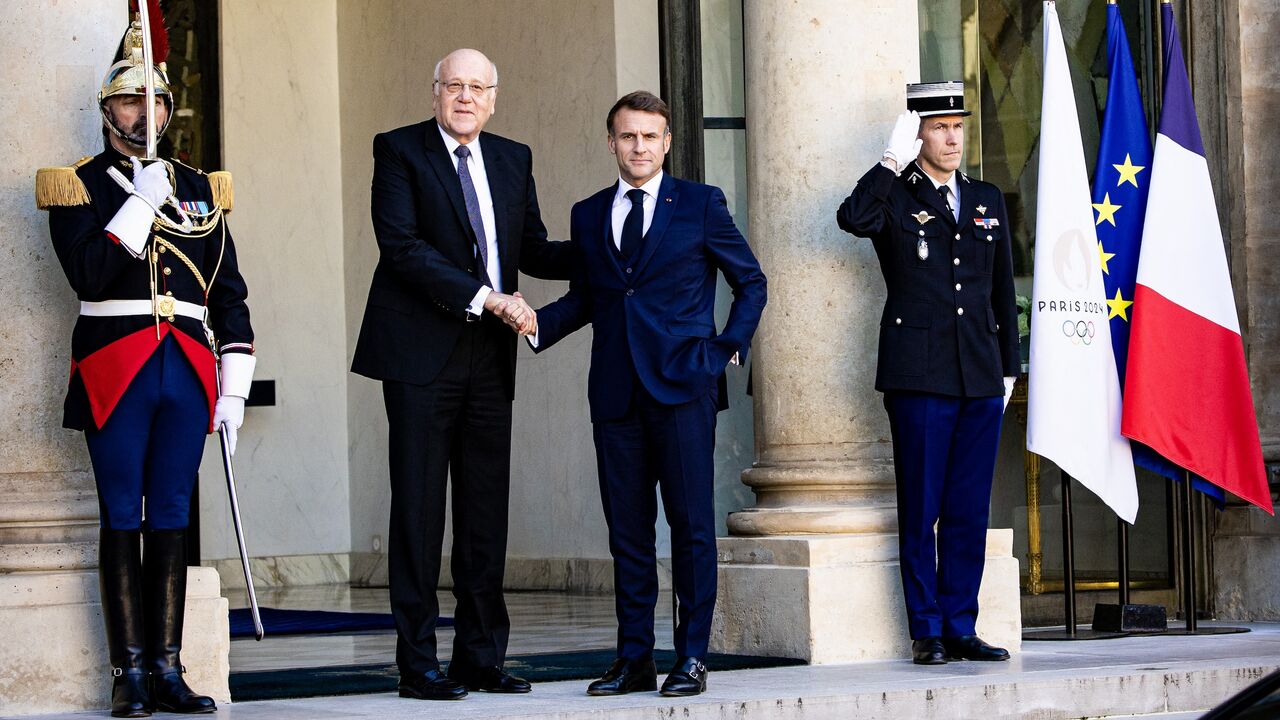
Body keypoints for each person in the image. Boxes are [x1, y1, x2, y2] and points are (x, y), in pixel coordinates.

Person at [37, 9, 253, 717]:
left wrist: (235, 387)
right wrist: (138, 208)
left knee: (172, 516)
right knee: (120, 516)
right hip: (117, 365)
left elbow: (230, 295)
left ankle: (167, 669)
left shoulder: (201, 187)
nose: (146, 112)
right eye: (132, 100)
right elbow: (90, 275)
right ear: (108, 110)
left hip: (188, 369)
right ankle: (127, 672)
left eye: (156, 100)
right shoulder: (78, 186)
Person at [350, 48, 575, 701]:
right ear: (435, 92)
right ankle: (417, 663)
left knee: (483, 511)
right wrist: (487, 296)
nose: (467, 97)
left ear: (494, 98)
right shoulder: (398, 151)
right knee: (419, 510)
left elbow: (530, 248)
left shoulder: (513, 157)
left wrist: (609, 243)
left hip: (489, 358)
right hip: (420, 352)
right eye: (456, 86)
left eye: (479, 88)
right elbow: (402, 247)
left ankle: (480, 656)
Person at [530, 91, 766, 697]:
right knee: (627, 533)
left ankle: (691, 658)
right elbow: (590, 297)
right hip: (614, 395)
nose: (638, 147)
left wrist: (726, 346)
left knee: (690, 527)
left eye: (649, 137)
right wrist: (535, 325)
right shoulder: (588, 213)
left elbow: (751, 281)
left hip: (684, 386)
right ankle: (635, 658)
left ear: (666, 143)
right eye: (627, 136)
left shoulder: (701, 204)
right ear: (611, 142)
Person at [836, 81, 1019, 666]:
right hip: (920, 374)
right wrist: (889, 161)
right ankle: (927, 628)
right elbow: (852, 218)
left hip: (980, 373)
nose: (951, 137)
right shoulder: (893, 194)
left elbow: (1000, 290)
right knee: (922, 506)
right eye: (938, 127)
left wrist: (1009, 369)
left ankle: (962, 623)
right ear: (917, 132)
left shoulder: (986, 196)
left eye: (957, 126)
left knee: (969, 506)